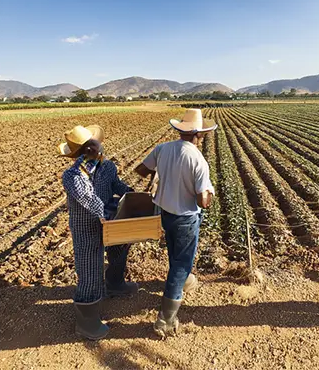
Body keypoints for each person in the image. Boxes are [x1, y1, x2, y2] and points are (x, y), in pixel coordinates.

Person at [135, 109, 217, 338]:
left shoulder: (163, 148)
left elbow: (141, 170)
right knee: (180, 264)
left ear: (181, 131)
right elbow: (204, 201)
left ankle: (185, 281)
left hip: (165, 214)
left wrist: (161, 175)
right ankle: (166, 320)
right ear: (199, 135)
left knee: (175, 254)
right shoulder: (198, 160)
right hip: (186, 218)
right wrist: (210, 191)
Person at [59, 125, 138, 340]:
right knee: (90, 272)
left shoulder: (108, 167)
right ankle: (86, 321)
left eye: (97, 143)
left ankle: (115, 284)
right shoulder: (72, 176)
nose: (99, 147)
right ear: (83, 151)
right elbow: (87, 198)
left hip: (110, 221)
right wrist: (106, 214)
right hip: (87, 228)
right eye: (93, 145)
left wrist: (131, 194)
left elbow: (116, 184)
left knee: (121, 248)